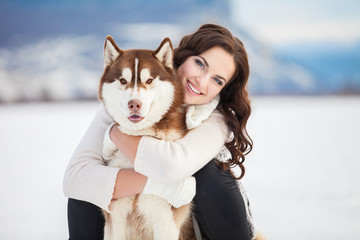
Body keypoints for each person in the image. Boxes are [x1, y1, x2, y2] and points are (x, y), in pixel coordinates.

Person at [63, 23, 255, 240]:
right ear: (183, 57)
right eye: (200, 64)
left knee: (209, 174)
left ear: (222, 89)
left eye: (217, 80)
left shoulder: (217, 118)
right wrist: (164, 187)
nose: (201, 81)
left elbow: (171, 166)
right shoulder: (128, 98)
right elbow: (75, 179)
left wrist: (117, 135)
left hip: (210, 227)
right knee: (85, 194)